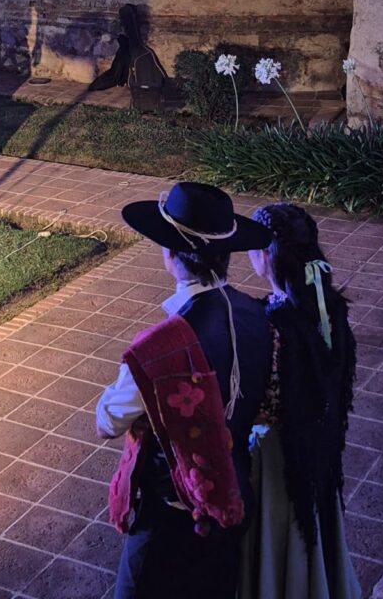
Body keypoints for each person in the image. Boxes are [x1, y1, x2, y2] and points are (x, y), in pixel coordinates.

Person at [96, 181, 273, 599]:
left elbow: (107, 422)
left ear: (171, 255)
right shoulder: (257, 314)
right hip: (233, 496)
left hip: (172, 516)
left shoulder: (159, 348)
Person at [239, 203, 360, 599]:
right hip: (320, 447)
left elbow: (262, 402)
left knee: (284, 529)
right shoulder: (329, 308)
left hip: (280, 456)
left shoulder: (272, 325)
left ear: (266, 255)